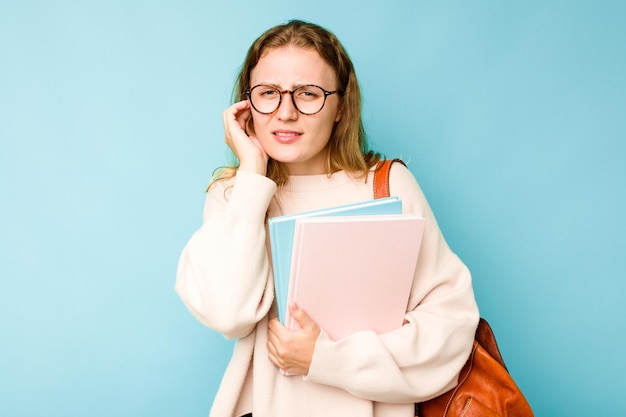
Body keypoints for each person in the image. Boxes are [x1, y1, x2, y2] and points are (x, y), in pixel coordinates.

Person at [175, 19, 479, 417]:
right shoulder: (236, 195)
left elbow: (451, 329)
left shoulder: (387, 185)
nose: (285, 113)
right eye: (268, 93)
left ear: (340, 107)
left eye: (308, 94)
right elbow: (228, 314)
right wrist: (252, 173)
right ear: (247, 104)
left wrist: (327, 358)